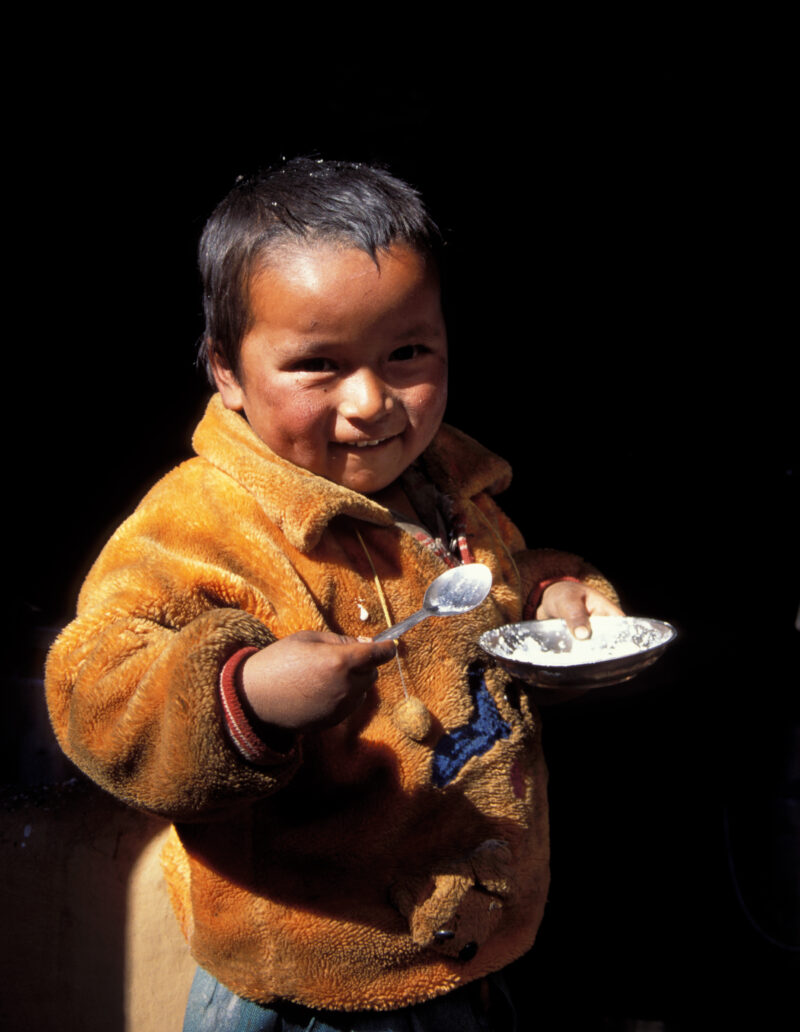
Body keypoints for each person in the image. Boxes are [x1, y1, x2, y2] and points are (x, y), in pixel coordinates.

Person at [46, 158, 622, 1031]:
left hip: (474, 949)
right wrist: (245, 696)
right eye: (317, 364)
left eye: (407, 354)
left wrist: (553, 595)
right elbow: (95, 691)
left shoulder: (446, 483)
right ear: (226, 370)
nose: (371, 402)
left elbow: (502, 579)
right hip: (317, 987)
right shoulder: (202, 525)